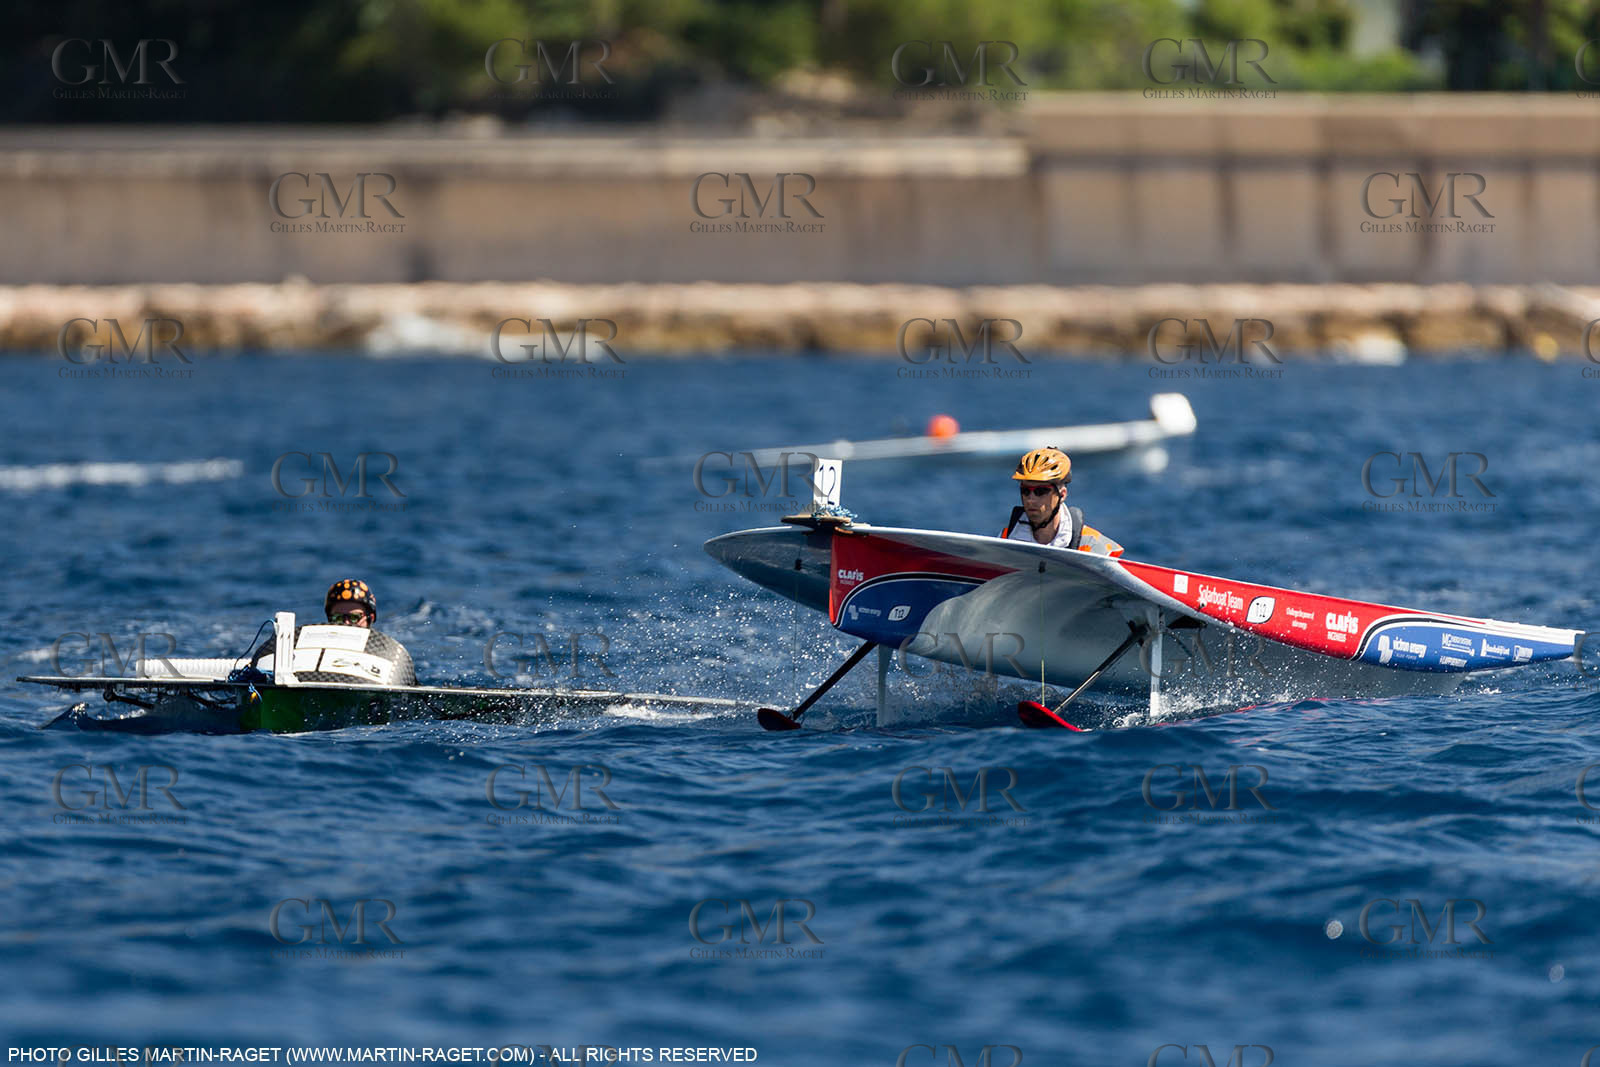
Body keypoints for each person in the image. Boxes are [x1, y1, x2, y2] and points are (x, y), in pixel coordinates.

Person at [250, 578, 416, 685]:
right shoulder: (312, 645)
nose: (345, 624)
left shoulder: (385, 653)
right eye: (337, 618)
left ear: (370, 617)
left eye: (353, 618)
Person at [1000, 447, 1123, 557]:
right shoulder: (1005, 538)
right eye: (1025, 491)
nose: (1031, 499)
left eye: (1041, 491)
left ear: (1062, 495)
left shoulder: (1092, 546)